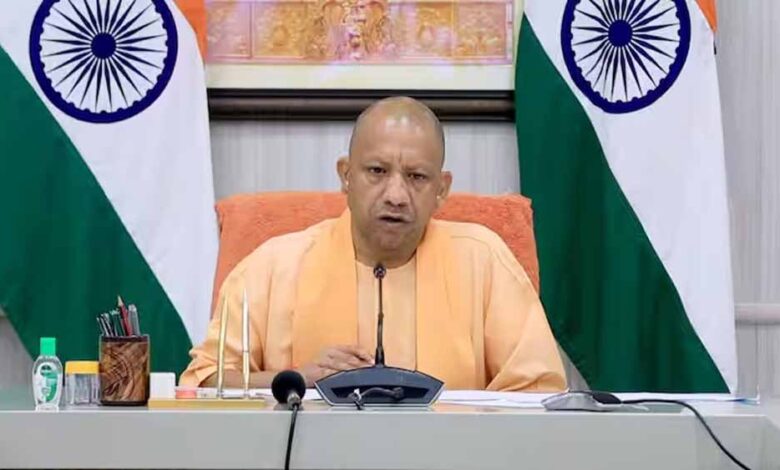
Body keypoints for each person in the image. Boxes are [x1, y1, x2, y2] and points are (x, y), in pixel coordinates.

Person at [179, 97, 566, 391]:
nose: (396, 195)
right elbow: (204, 381)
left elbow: (539, 390)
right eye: (377, 171)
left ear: (442, 189)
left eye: (416, 177)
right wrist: (299, 380)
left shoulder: (484, 261)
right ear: (346, 176)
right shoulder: (273, 266)